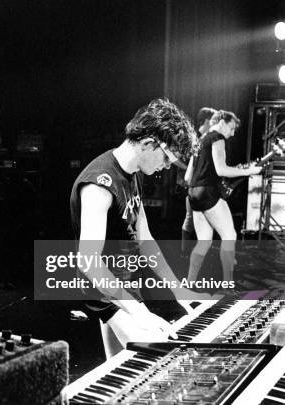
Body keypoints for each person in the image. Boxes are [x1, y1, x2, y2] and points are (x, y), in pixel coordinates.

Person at [70, 98, 198, 357]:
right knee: (153, 358)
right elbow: (88, 261)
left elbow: (146, 239)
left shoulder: (132, 174)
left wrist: (177, 288)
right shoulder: (100, 184)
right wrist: (140, 313)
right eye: (166, 159)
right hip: (101, 290)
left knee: (118, 372)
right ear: (149, 144)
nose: (167, 167)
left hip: (122, 284)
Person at [185, 110, 262, 282]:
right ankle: (227, 283)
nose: (232, 133)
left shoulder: (200, 140)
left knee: (204, 241)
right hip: (208, 193)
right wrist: (250, 170)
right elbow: (221, 169)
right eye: (232, 127)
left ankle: (189, 283)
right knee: (229, 236)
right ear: (221, 121)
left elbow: (187, 177)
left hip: (193, 193)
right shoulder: (217, 138)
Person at [180, 107, 216, 252]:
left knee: (190, 219)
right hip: (200, 185)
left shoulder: (199, 139)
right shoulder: (206, 140)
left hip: (193, 185)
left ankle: (185, 251)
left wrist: (188, 178)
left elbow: (192, 164)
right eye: (214, 120)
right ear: (207, 120)